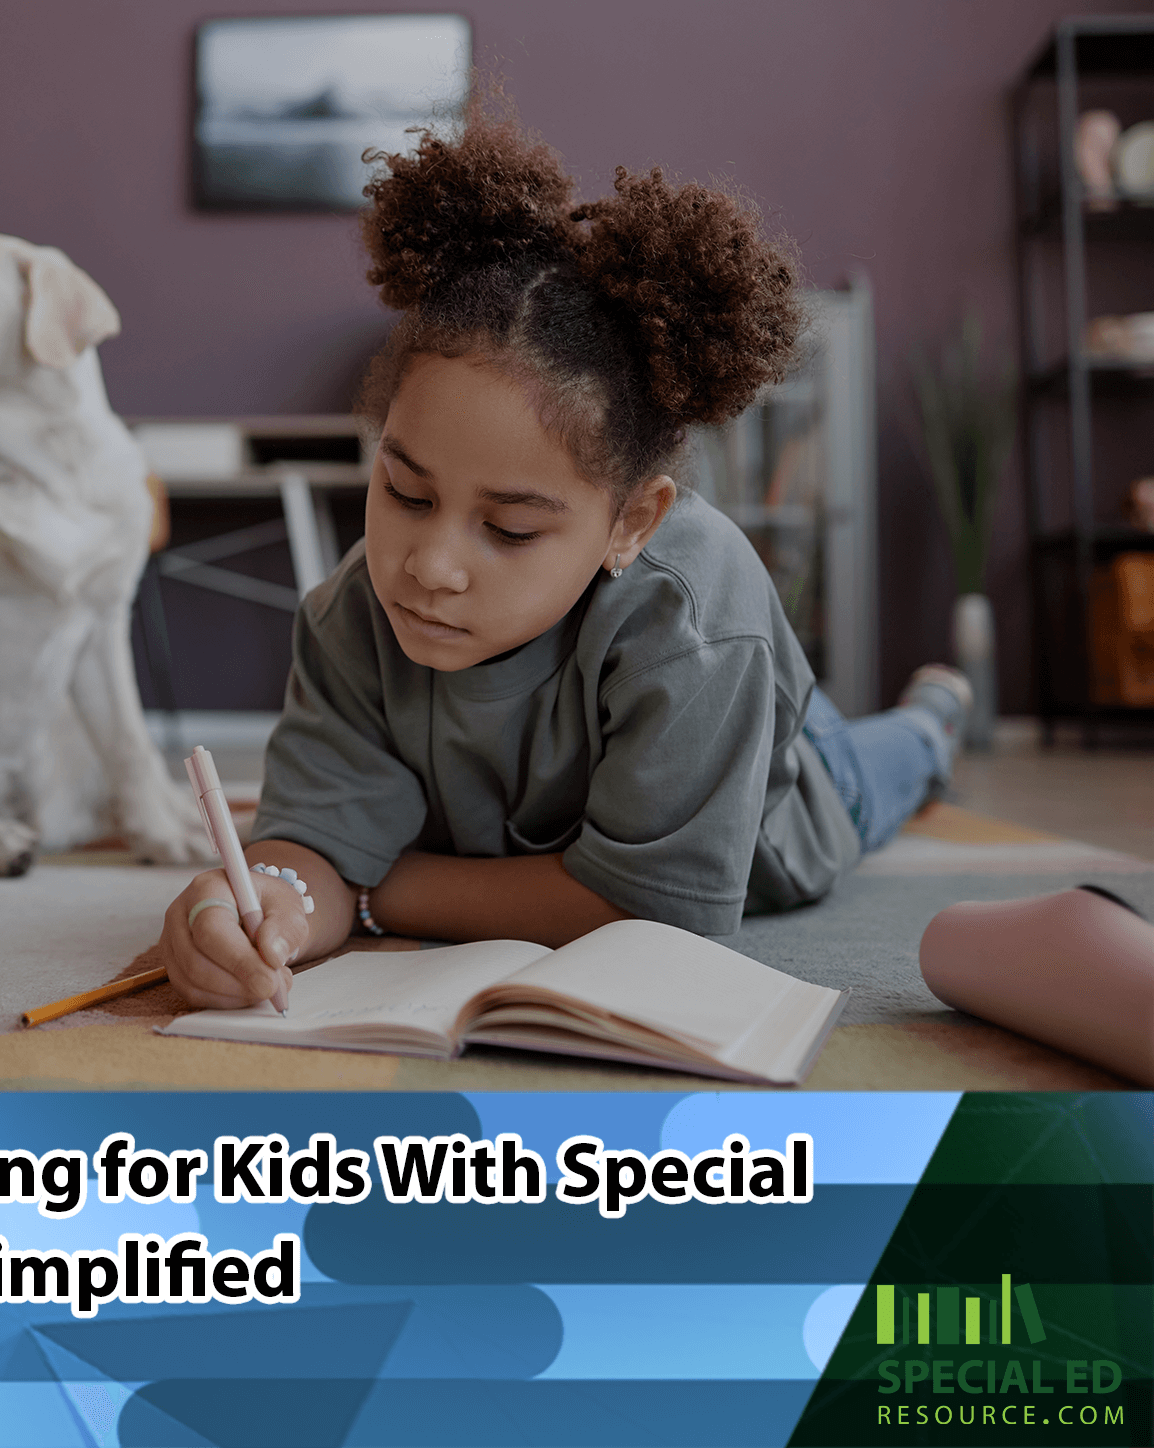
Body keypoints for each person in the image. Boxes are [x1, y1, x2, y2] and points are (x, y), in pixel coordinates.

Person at [153, 110, 970, 1012]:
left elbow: (647, 913)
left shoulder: (695, 618)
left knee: (885, 766)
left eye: (507, 528)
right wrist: (269, 900)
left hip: (794, 792)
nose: (428, 565)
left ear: (632, 521)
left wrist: (369, 890)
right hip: (514, 832)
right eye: (406, 493)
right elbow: (310, 846)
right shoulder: (352, 612)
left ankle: (935, 714)